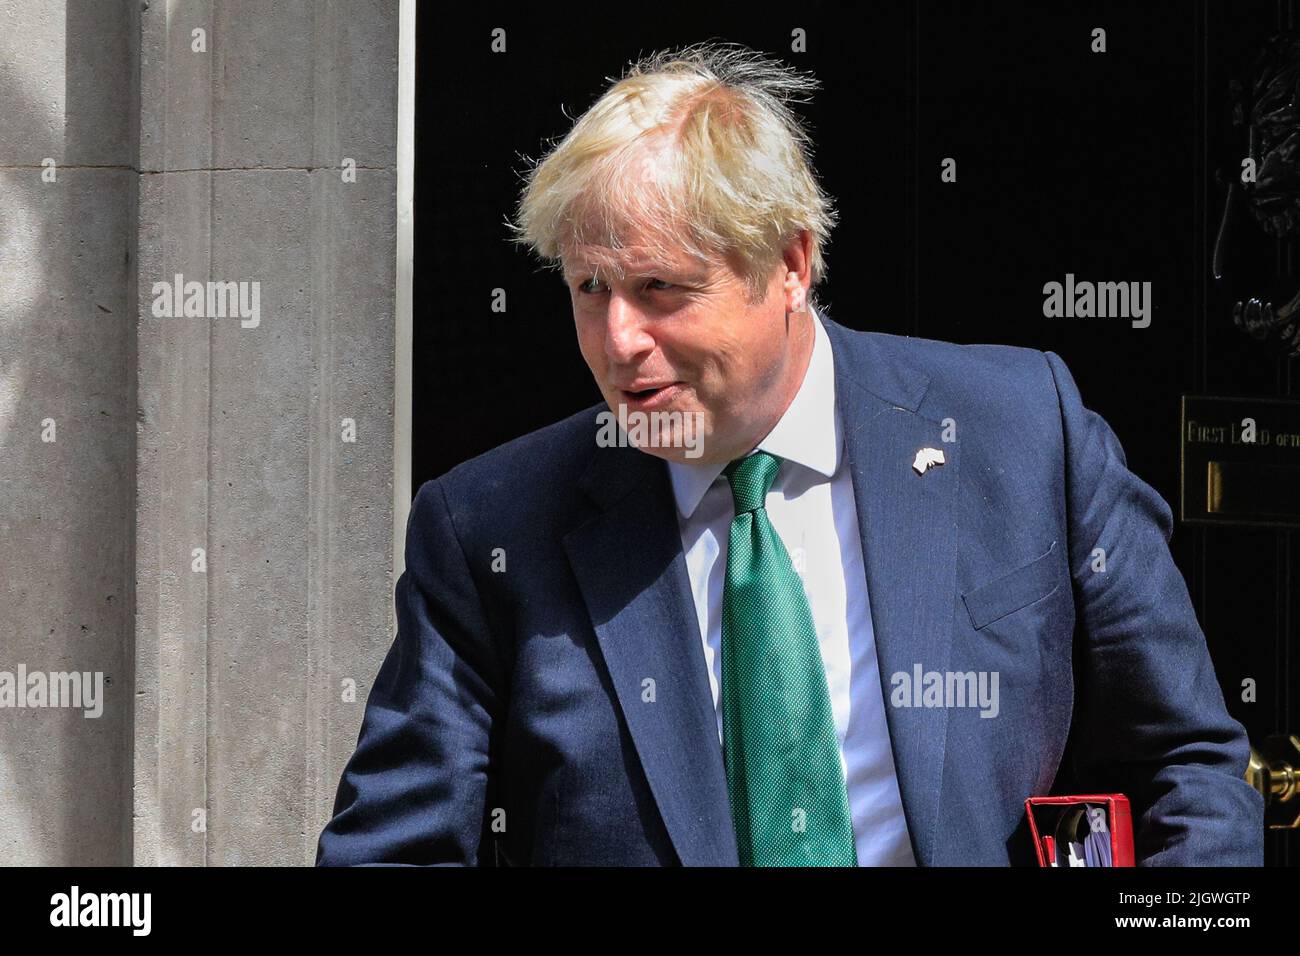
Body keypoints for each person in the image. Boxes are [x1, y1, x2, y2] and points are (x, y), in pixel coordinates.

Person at [316, 41, 1263, 866]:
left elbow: (1187, 768)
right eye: (589, 287)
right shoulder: (489, 530)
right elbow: (392, 850)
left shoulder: (1024, 433)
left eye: (661, 287)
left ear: (792, 265)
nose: (618, 338)